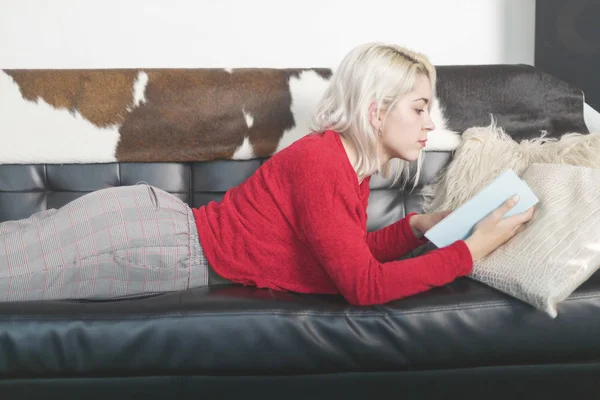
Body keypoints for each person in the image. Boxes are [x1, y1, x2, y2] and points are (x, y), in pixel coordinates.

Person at [0, 42, 534, 304]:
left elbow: (347, 256)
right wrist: (471, 250)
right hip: (147, 242)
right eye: (419, 107)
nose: (430, 123)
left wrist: (415, 228)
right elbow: (363, 287)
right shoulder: (322, 162)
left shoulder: (351, 168)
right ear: (376, 111)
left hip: (156, 233)